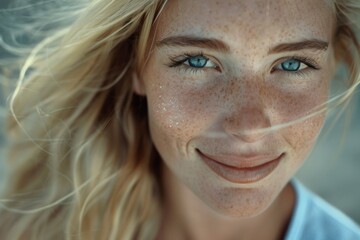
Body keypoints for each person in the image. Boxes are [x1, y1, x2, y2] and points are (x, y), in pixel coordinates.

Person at [0, 0, 360, 239]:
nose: (250, 127)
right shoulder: (32, 228)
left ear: (333, 66)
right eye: (198, 61)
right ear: (135, 68)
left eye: (292, 64)